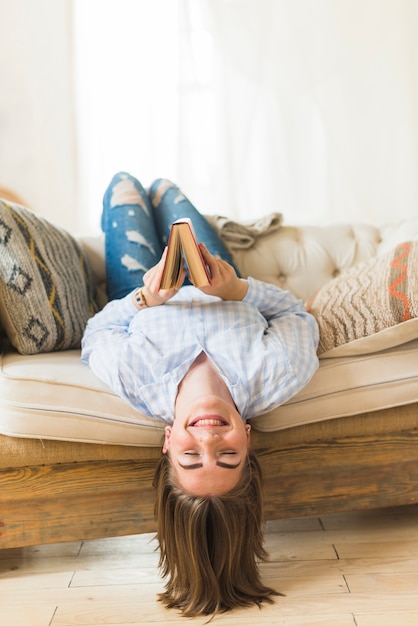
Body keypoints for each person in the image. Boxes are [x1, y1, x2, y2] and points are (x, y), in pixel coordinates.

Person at [81, 172, 319, 617]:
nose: (209, 441)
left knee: (123, 185)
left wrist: (145, 299)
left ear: (167, 443)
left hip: (141, 287)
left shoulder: (136, 380)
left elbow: (98, 333)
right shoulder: (279, 373)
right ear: (248, 440)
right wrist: (235, 289)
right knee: (166, 191)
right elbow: (294, 313)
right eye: (227, 457)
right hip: (221, 280)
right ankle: (165, 197)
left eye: (192, 458)